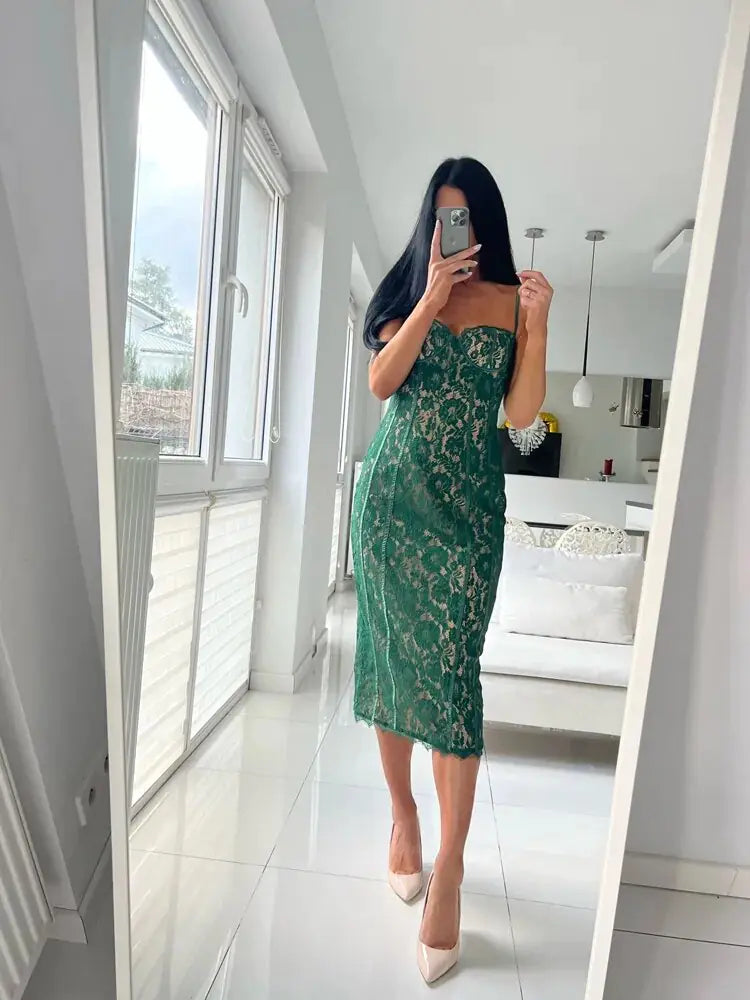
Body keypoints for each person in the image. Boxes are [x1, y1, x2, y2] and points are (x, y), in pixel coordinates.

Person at [349, 157, 552, 983]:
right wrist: (430, 300)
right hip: (392, 508)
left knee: (453, 679)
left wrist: (537, 326)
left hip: (468, 518)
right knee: (394, 664)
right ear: (429, 221)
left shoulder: (511, 300)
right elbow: (380, 383)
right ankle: (404, 819)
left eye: (463, 215)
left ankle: (453, 870)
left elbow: (523, 414)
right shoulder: (408, 291)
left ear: (486, 222)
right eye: (441, 215)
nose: (451, 229)